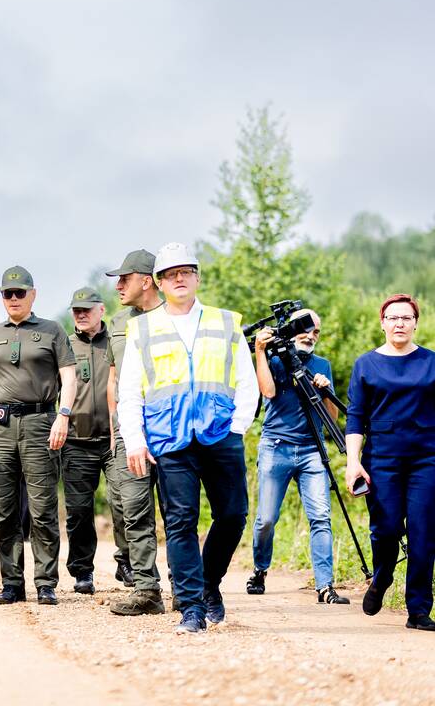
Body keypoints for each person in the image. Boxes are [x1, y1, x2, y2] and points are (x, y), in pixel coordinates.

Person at [118, 243, 258, 633]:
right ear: (159, 283)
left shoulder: (225, 322)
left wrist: (238, 427)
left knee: (232, 516)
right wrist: (134, 439)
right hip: (169, 438)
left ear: (197, 277)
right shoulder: (142, 328)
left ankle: (208, 583)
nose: (179, 279)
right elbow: (129, 390)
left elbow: (246, 380)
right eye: (170, 274)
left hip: (220, 435)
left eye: (186, 272)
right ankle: (192, 608)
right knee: (181, 522)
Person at [0, 266, 78, 606]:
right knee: (3, 509)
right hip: (0, 427)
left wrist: (63, 415)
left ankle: (45, 582)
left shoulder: (51, 330)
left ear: (33, 294)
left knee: (42, 507)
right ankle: (12, 583)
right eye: (7, 294)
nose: (14, 299)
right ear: (1, 297)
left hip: (40, 422)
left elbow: (70, 377)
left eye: (20, 293)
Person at [346, 293, 435, 631]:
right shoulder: (366, 364)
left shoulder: (431, 362)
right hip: (382, 459)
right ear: (382, 322)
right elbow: (355, 417)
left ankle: (418, 610)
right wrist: (354, 462)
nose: (400, 323)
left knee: (425, 535)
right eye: (393, 318)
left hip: (427, 459)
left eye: (406, 318)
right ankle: (382, 578)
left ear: (415, 323)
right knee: (385, 529)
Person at [247, 309, 350, 604]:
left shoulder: (323, 365)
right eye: (306, 329)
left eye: (316, 331)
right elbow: (267, 391)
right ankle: (260, 569)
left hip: (312, 449)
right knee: (266, 518)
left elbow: (330, 419)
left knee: (320, 517)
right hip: (275, 445)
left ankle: (325, 586)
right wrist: (260, 351)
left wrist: (326, 390)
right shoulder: (275, 360)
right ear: (293, 330)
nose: (310, 335)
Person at [104, 249, 167, 617]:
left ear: (146, 280)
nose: (118, 286)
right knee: (132, 509)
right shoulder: (118, 322)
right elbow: (114, 379)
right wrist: (117, 428)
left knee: (177, 511)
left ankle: (190, 588)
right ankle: (147, 590)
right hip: (129, 427)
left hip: (168, 426)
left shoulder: (173, 317)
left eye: (124, 279)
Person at [60, 287, 127, 595]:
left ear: (102, 310)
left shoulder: (116, 341)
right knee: (78, 511)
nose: (81, 314)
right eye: (76, 310)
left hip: (114, 438)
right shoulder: (64, 346)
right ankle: (82, 570)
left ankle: (126, 561)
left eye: (87, 309)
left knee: (123, 503)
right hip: (76, 441)